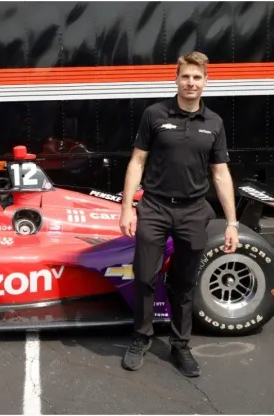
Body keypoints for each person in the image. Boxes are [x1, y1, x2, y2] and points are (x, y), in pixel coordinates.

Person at [118, 51, 239, 377]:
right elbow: (137, 163)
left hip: (193, 212)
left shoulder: (214, 123)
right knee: (144, 277)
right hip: (155, 208)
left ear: (205, 82)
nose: (191, 83)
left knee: (184, 283)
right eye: (185, 76)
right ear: (176, 78)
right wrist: (127, 208)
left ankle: (180, 345)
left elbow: (220, 174)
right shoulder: (155, 114)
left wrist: (231, 223)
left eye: (197, 77)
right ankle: (140, 338)